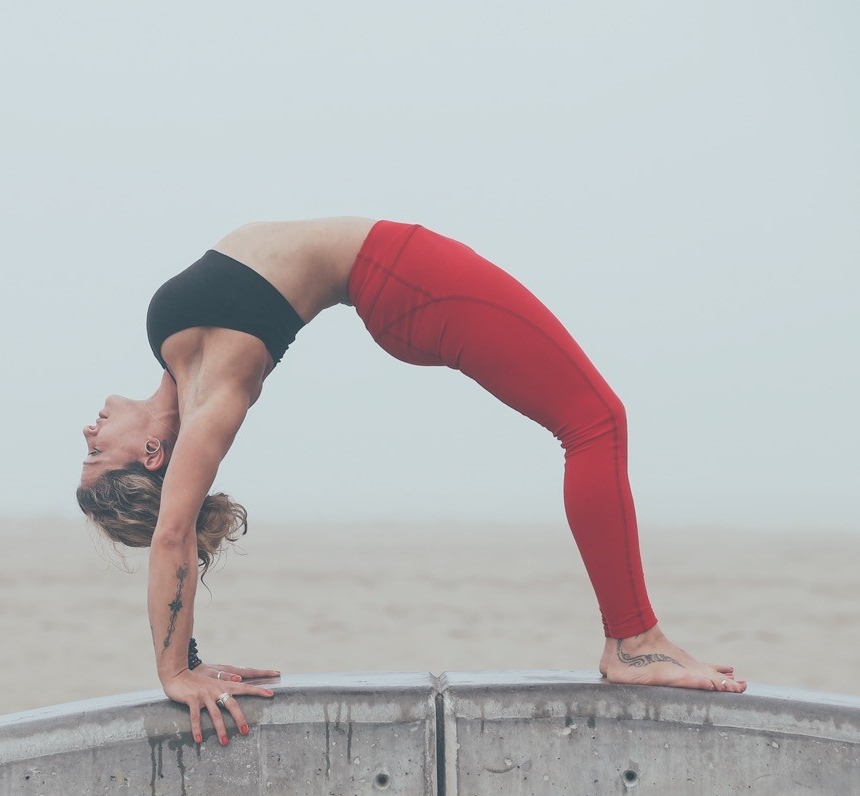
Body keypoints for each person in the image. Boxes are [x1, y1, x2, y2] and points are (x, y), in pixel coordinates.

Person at [77, 217, 745, 746]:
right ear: (154, 454)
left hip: (396, 269)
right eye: (96, 456)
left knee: (597, 420)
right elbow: (173, 534)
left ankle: (634, 639)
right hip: (401, 280)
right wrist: (176, 670)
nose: (87, 434)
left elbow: (174, 531)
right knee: (596, 423)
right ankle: (632, 640)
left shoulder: (173, 350)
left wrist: (187, 656)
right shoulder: (211, 400)